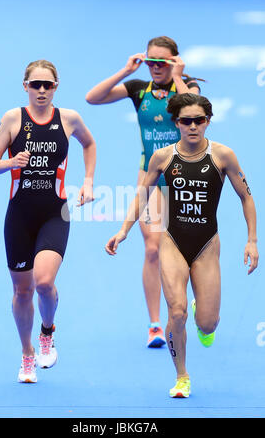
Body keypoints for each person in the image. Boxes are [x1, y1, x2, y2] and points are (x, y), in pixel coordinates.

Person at [105, 93, 258, 397]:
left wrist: (252, 240)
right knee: (176, 312)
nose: (192, 126)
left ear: (207, 122)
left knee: (208, 324)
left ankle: (202, 311)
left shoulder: (223, 156)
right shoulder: (162, 157)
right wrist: (123, 230)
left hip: (206, 244)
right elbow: (142, 194)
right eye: (186, 121)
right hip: (172, 240)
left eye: (198, 120)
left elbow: (246, 196)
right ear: (176, 123)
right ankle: (182, 376)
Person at [0, 60, 96, 383]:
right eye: (36, 85)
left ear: (56, 86)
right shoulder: (13, 119)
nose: (42, 90)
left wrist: (89, 181)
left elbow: (89, 144)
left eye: (48, 85)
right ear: (26, 87)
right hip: (19, 216)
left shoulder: (69, 119)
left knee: (44, 282)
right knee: (22, 291)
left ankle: (47, 331)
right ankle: (27, 353)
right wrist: (10, 163)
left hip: (54, 213)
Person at [86, 36, 202, 347]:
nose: (154, 67)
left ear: (175, 61)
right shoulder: (140, 89)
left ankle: (195, 299)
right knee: (152, 248)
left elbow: (194, 109)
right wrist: (125, 70)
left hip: (186, 178)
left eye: (161, 62)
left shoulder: (186, 85)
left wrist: (178, 75)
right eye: (150, 61)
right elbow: (92, 98)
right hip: (151, 177)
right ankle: (154, 323)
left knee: (187, 250)